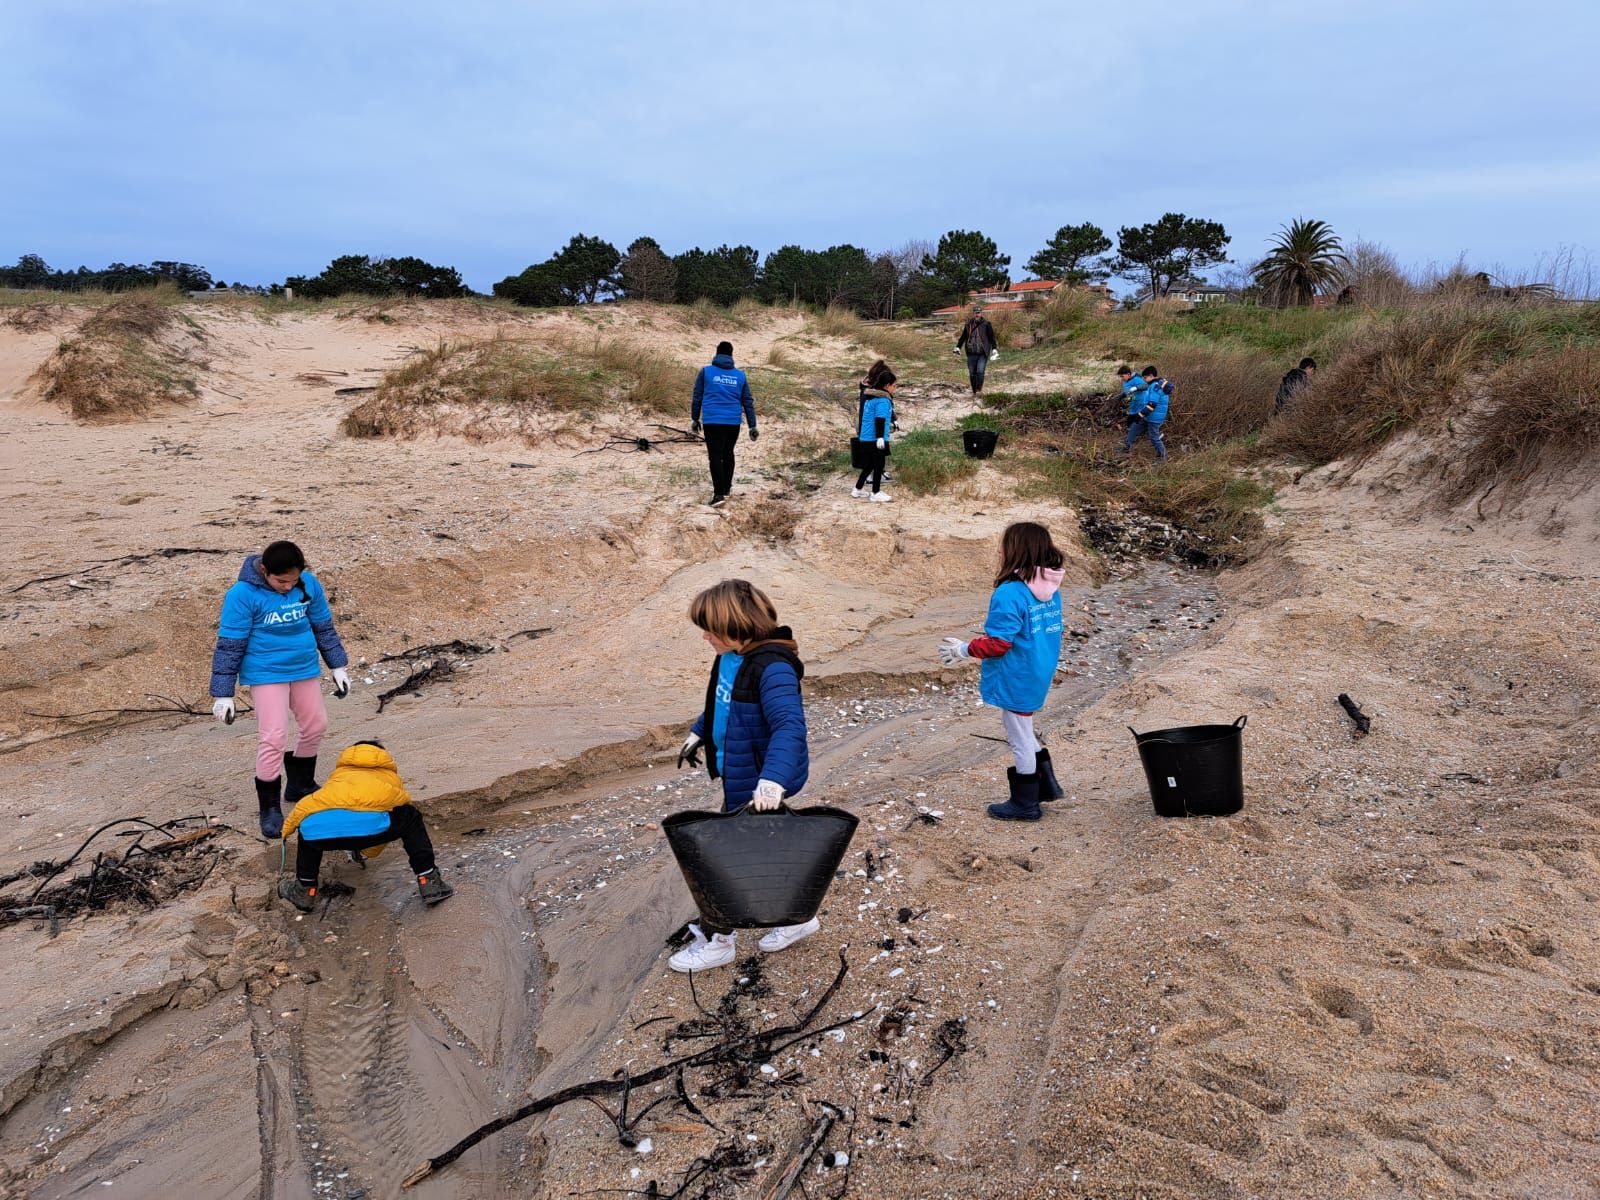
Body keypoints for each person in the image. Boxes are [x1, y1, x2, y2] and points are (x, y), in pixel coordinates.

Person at [671, 580, 811, 972]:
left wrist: (772, 781)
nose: (705, 637)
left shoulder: (774, 668)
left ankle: (719, 940)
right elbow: (722, 701)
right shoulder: (730, 656)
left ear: (737, 628)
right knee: (765, 849)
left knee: (728, 859)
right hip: (739, 772)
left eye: (711, 630)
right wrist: (699, 732)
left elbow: (789, 726)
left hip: (759, 780)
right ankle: (799, 917)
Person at [209, 541, 350, 839]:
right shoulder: (242, 595)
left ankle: (300, 784)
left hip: (303, 667)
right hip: (265, 672)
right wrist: (224, 694)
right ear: (264, 571)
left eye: (293, 580)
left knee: (315, 725)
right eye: (280, 581)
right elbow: (230, 645)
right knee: (274, 736)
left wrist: (338, 666)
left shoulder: (308, 585)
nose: (288, 586)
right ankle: (270, 808)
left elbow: (323, 628)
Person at [938, 522, 1067, 821]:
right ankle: (1046, 786)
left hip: (1018, 674)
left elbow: (998, 644)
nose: (999, 550)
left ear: (1016, 550)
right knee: (1025, 727)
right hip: (1038, 668)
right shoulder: (1049, 586)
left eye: (1003, 545)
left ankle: (1026, 804)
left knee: (1019, 735)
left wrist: (963, 649)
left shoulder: (1010, 593)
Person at [276, 739, 453, 911]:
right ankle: (428, 880)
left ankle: (305, 889)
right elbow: (398, 803)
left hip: (322, 836)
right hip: (372, 829)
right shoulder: (389, 776)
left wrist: (286, 832)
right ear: (382, 756)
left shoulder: (338, 777)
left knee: (308, 827)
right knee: (410, 815)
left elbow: (303, 807)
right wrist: (367, 850)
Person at [690, 340, 758, 506]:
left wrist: (695, 418)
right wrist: (752, 425)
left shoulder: (706, 372)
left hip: (712, 421)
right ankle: (726, 488)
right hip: (733, 422)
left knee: (715, 456)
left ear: (717, 353)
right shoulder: (740, 376)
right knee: (728, 453)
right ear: (731, 355)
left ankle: (718, 494)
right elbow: (747, 401)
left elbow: (697, 396)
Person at [852, 365, 897, 502]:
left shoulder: (870, 396)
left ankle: (857, 489)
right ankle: (875, 492)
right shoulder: (883, 400)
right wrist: (880, 438)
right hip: (875, 437)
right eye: (894, 385)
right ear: (887, 385)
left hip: (865, 437)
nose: (895, 388)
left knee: (869, 465)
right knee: (878, 464)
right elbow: (880, 420)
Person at [1121, 365, 1171, 463]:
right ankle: (1125, 448)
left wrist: (1139, 415)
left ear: (1151, 376)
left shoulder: (1156, 387)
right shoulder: (1151, 385)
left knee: (1154, 437)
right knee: (1134, 429)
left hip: (1154, 418)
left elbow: (1152, 405)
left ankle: (1164, 456)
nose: (1144, 380)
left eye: (1145, 377)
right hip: (1147, 416)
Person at [954, 306, 999, 395]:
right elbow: (963, 337)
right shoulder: (968, 324)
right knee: (972, 374)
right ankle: (974, 391)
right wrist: (958, 347)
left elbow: (992, 338)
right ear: (973, 313)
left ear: (981, 313)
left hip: (983, 353)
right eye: (975, 312)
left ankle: (979, 390)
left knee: (980, 371)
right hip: (971, 353)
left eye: (978, 313)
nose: (977, 314)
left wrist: (994, 349)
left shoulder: (986, 324)